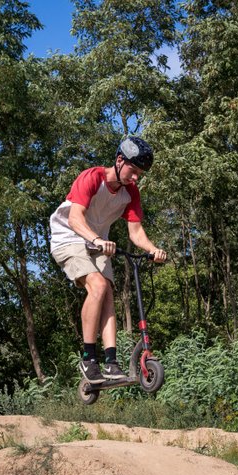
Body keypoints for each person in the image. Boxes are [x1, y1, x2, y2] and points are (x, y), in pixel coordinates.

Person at [49, 136, 167, 384]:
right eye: (133, 171)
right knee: (98, 286)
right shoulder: (92, 177)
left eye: (139, 174)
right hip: (69, 237)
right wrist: (98, 240)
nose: (135, 178)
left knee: (108, 296)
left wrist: (154, 249)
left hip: (98, 244)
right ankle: (88, 358)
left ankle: (111, 363)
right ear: (119, 160)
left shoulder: (130, 193)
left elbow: (135, 233)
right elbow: (74, 219)